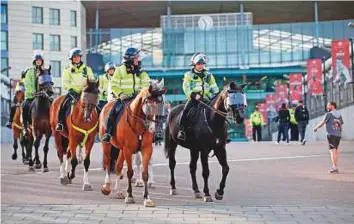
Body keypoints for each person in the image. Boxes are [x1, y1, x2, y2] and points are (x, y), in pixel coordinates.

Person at [101, 47, 151, 143]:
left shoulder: (141, 71)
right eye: (136, 58)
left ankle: (156, 132)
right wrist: (120, 94)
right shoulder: (119, 70)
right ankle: (108, 133)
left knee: (152, 110)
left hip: (138, 98)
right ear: (130, 59)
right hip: (124, 98)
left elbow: (146, 83)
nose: (138, 60)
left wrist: (140, 92)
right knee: (113, 111)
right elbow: (114, 84)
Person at [177, 52, 219, 141]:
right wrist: (193, 94)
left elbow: (214, 86)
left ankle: (220, 133)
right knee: (185, 111)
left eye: (202, 64)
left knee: (217, 112)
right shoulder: (188, 75)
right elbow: (186, 86)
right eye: (199, 64)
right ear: (194, 64)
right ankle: (181, 131)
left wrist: (216, 95)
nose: (201, 66)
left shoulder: (209, 75)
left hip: (207, 98)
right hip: (194, 98)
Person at [56, 48, 94, 131]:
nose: (77, 58)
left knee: (96, 106)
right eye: (74, 57)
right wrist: (71, 89)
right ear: (71, 59)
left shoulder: (87, 69)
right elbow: (65, 82)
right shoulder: (67, 70)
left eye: (78, 57)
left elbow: (91, 80)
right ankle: (60, 123)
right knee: (63, 105)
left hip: (86, 93)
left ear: (80, 57)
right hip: (73, 93)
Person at [313, 102, 344, 174]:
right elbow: (341, 126)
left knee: (332, 151)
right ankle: (335, 166)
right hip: (338, 135)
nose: (327, 107)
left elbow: (323, 122)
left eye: (328, 105)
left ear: (333, 106)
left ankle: (335, 167)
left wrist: (316, 128)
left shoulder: (329, 114)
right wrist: (340, 133)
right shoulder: (339, 115)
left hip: (331, 134)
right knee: (335, 151)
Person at [21, 53, 45, 135]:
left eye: (40, 60)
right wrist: (32, 92)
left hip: (42, 95)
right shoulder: (30, 71)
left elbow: (47, 82)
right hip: (31, 95)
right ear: (34, 62)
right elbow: (28, 83)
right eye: (37, 60)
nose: (38, 62)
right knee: (24, 106)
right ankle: (24, 127)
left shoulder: (44, 71)